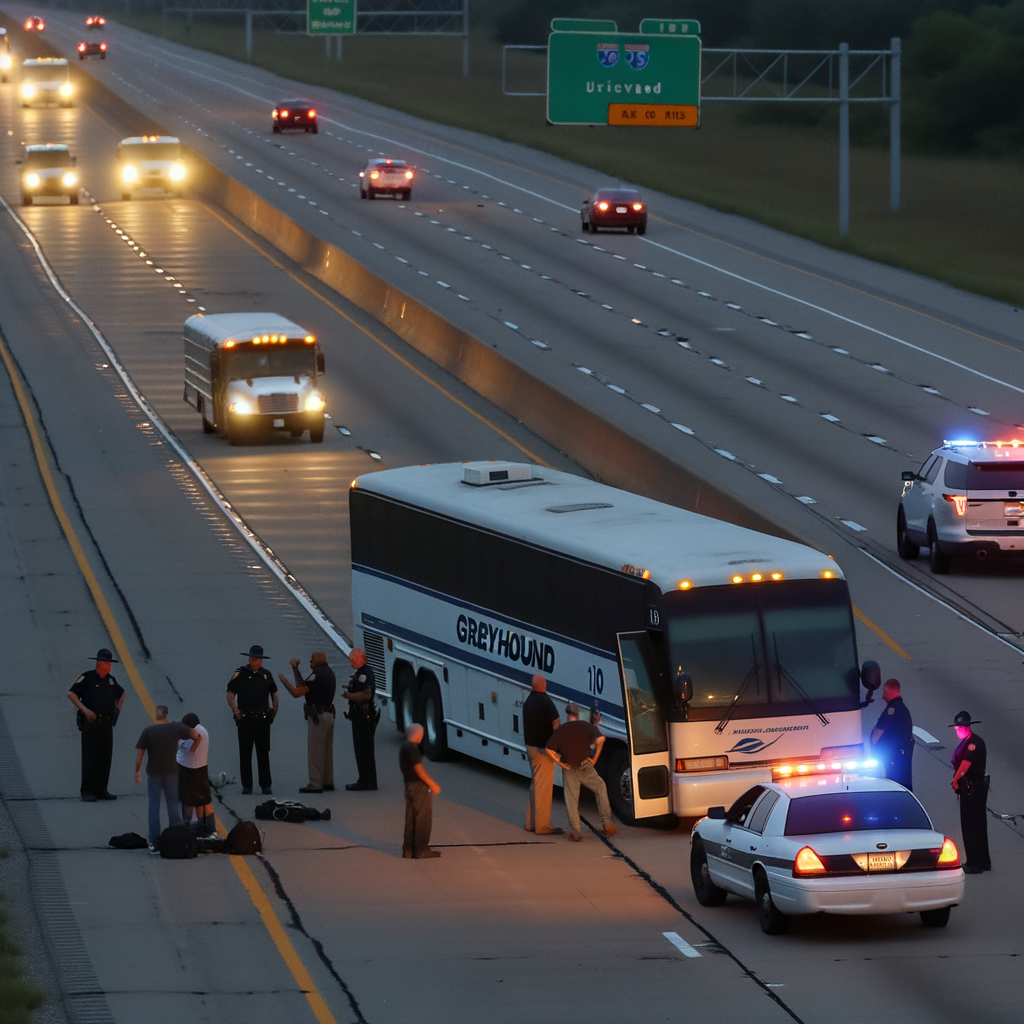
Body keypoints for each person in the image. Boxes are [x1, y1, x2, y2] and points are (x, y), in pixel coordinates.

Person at [546, 703, 618, 842]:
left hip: (569, 767)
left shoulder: (562, 730)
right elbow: (601, 739)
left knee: (572, 800)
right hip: (585, 765)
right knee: (600, 787)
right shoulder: (585, 726)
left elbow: (549, 749)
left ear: (567, 715)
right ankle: (607, 823)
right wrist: (595, 759)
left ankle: (576, 832)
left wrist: (560, 763)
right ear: (577, 714)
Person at [135, 706, 200, 854]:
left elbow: (140, 754)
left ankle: (153, 841)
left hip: (153, 774)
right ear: (166, 715)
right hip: (171, 773)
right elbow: (195, 735)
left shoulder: (148, 731)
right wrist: (192, 750)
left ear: (156, 716)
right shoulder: (175, 728)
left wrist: (137, 771)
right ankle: (176, 836)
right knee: (173, 805)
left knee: (154, 806)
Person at [67, 648, 126, 802]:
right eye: (107, 663)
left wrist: (116, 712)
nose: (110, 666)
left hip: (106, 723)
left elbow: (122, 694)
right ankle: (87, 790)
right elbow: (71, 694)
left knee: (105, 757)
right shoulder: (88, 678)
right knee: (90, 757)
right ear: (99, 662)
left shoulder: (111, 680)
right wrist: (86, 711)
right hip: (92, 723)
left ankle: (101, 790)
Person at [278, 651, 337, 794]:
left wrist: (284, 681)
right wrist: (295, 669)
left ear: (318, 660)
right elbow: (303, 685)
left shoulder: (317, 674)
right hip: (329, 715)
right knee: (327, 751)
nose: (310, 663)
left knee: (316, 751)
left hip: (318, 717)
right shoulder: (328, 673)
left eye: (311, 660)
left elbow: (297, 692)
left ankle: (315, 784)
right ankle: (328, 781)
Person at [227, 644, 279, 795]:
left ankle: (265, 784)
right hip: (245, 720)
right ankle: (247, 785)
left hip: (262, 719)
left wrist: (275, 709)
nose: (257, 663)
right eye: (255, 659)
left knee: (263, 752)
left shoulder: (266, 675)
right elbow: (230, 693)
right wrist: (235, 709)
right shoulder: (240, 674)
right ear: (250, 659)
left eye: (260, 660)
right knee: (245, 753)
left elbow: (274, 693)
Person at [949, 710, 990, 874]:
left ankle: (974, 862)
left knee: (970, 824)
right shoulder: (967, 741)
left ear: (967, 727)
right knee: (979, 824)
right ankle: (983, 861)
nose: (957, 730)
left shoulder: (973, 743)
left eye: (959, 728)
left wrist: (955, 780)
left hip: (972, 789)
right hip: (975, 788)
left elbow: (966, 763)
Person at [523, 674, 563, 836]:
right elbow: (556, 724)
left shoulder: (528, 701)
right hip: (543, 751)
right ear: (544, 685)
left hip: (531, 748)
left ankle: (530, 823)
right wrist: (558, 746)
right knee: (544, 789)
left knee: (535, 785)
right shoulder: (546, 702)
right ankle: (542, 826)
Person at [399, 723, 441, 858]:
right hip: (418, 786)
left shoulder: (404, 747)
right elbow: (419, 769)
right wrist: (432, 784)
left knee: (410, 817)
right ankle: (421, 849)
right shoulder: (412, 748)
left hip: (408, 784)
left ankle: (408, 849)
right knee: (423, 817)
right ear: (418, 735)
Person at [341, 648, 379, 791]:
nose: (350, 662)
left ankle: (366, 780)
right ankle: (365, 779)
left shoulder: (364, 674)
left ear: (359, 660)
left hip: (363, 716)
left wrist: (349, 696)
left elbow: (367, 694)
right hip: (362, 715)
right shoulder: (362, 673)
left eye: (352, 660)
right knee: (363, 749)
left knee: (364, 750)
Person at [870, 678, 914, 790]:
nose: (882, 696)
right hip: (902, 757)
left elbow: (878, 733)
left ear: (889, 691)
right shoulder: (904, 710)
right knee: (904, 784)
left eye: (884, 692)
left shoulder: (892, 711)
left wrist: (873, 750)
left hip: (891, 759)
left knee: (890, 785)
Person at [177, 712, 215, 838]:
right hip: (201, 768)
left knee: (187, 797)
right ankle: (209, 827)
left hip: (188, 768)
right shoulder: (203, 731)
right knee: (203, 798)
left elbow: (187, 748)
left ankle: (187, 825)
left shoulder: (193, 735)